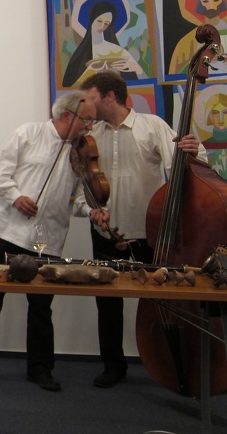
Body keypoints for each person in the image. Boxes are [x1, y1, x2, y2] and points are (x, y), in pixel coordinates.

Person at [0, 91, 104, 392]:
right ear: (67, 115)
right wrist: (16, 197)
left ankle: (40, 369)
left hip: (45, 237)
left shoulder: (80, 151)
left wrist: (91, 211)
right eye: (87, 119)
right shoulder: (28, 133)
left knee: (41, 305)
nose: (90, 127)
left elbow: (79, 200)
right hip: (5, 230)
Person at [79, 71, 207, 388]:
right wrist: (90, 210)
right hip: (107, 233)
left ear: (110, 97)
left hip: (150, 234)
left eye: (90, 98)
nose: (86, 105)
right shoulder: (91, 136)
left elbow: (187, 165)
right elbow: (81, 186)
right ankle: (113, 365)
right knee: (107, 303)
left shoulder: (151, 126)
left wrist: (194, 150)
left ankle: (170, 365)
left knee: (162, 302)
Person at [62, 0, 147, 87]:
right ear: (92, 19)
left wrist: (137, 69)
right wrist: (90, 70)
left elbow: (143, 82)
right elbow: (68, 89)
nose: (102, 26)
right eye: (99, 21)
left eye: (106, 23)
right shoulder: (81, 54)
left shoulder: (118, 51)